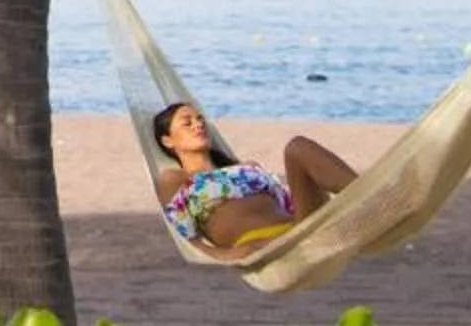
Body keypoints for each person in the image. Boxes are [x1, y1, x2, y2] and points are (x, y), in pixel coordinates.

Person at [149, 99, 357, 253]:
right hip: (261, 243)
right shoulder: (177, 178)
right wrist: (222, 255)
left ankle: (366, 192)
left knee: (298, 146)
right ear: (167, 141)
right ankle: (365, 195)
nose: (198, 124)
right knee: (295, 148)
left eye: (200, 119)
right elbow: (185, 237)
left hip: (299, 225)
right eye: (187, 123)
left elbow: (290, 200)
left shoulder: (246, 168)